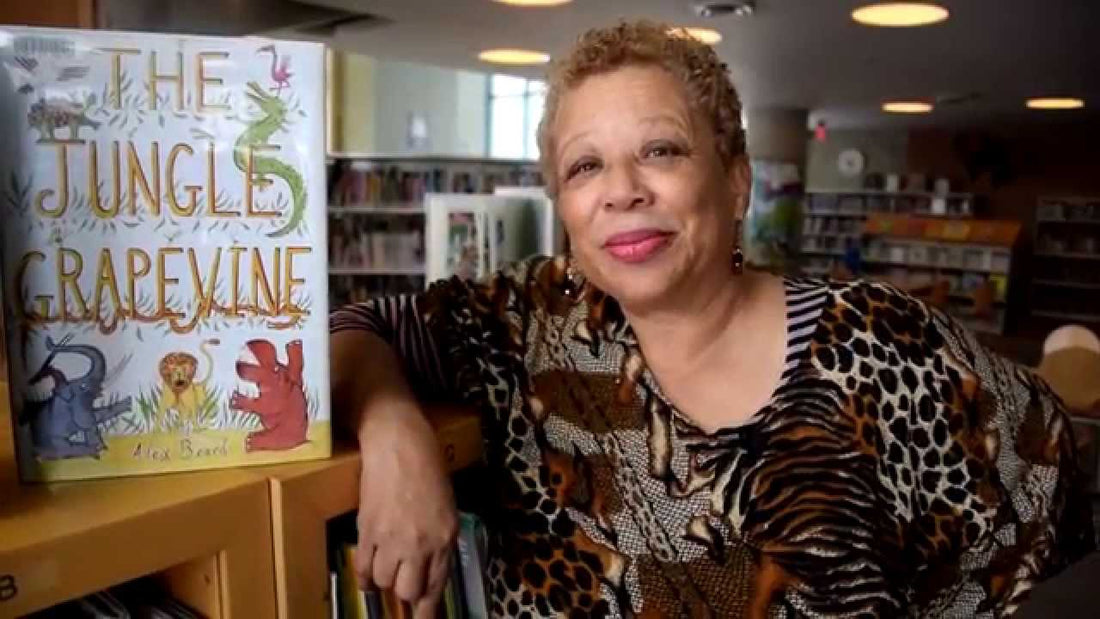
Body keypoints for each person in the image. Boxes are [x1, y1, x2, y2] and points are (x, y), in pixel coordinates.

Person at [330, 20, 1094, 618]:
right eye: (584, 165)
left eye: (661, 150)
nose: (621, 190)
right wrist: (395, 431)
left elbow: (1063, 489)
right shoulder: (530, 318)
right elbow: (349, 329)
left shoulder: (884, 345)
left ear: (736, 182)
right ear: (561, 203)